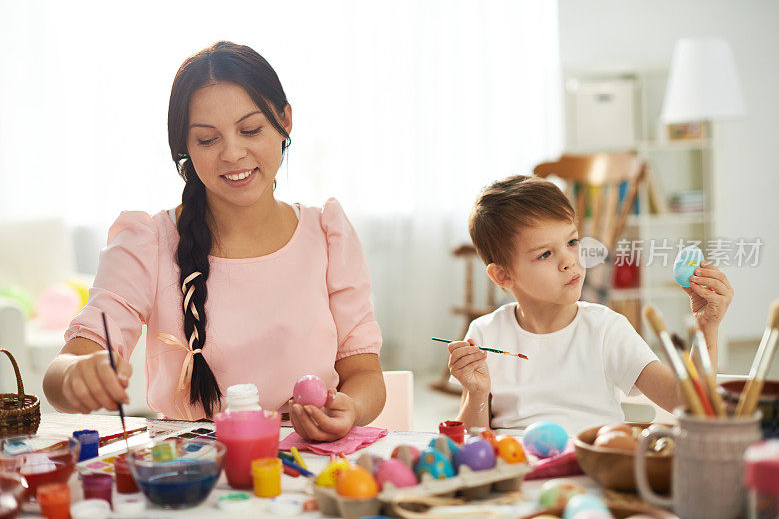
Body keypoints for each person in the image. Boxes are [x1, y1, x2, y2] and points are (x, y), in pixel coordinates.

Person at [43, 41, 386, 441]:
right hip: (192, 473)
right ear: (184, 148)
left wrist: (351, 409)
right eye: (207, 139)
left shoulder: (328, 234)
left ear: (285, 121)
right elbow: (63, 370)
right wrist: (75, 376)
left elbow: (363, 372)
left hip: (306, 459)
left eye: (251, 129)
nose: (233, 153)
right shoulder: (146, 242)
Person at [447, 175, 733, 434]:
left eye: (572, 242)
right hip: (519, 468)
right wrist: (477, 394)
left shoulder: (606, 328)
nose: (569, 260)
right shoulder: (485, 334)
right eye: (546, 254)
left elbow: (686, 403)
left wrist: (706, 327)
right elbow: (473, 440)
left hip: (594, 464)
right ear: (503, 275)